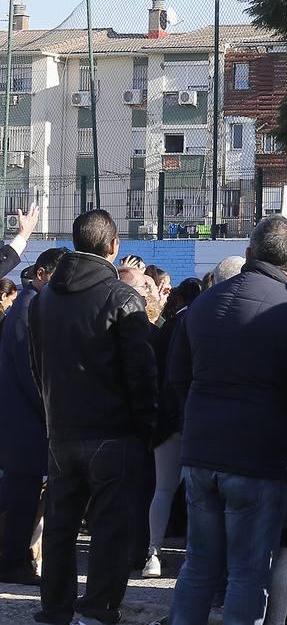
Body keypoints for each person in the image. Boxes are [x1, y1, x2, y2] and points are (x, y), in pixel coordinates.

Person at [167, 216, 287, 625]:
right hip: (260, 458)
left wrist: (196, 423)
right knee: (248, 571)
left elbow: (178, 377)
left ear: (249, 253)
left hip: (203, 451)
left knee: (199, 566)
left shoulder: (204, 303)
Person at [28, 211, 157, 625]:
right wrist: (147, 424)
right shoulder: (121, 297)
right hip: (113, 431)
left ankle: (54, 608)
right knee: (110, 528)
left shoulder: (44, 298)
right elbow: (141, 372)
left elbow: (36, 364)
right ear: (114, 245)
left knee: (62, 526)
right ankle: (98, 606)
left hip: (61, 429)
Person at [0, 248, 63, 586]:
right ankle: (13, 560)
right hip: (23, 422)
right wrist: (50, 410)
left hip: (23, 421)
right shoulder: (27, 308)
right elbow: (30, 371)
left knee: (20, 495)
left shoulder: (31, 306)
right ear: (41, 274)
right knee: (21, 497)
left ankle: (15, 557)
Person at [141, 276, 205, 578]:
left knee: (162, 489)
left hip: (165, 419)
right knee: (196, 492)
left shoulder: (167, 327)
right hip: (194, 418)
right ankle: (194, 556)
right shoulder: (203, 322)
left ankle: (153, 553)